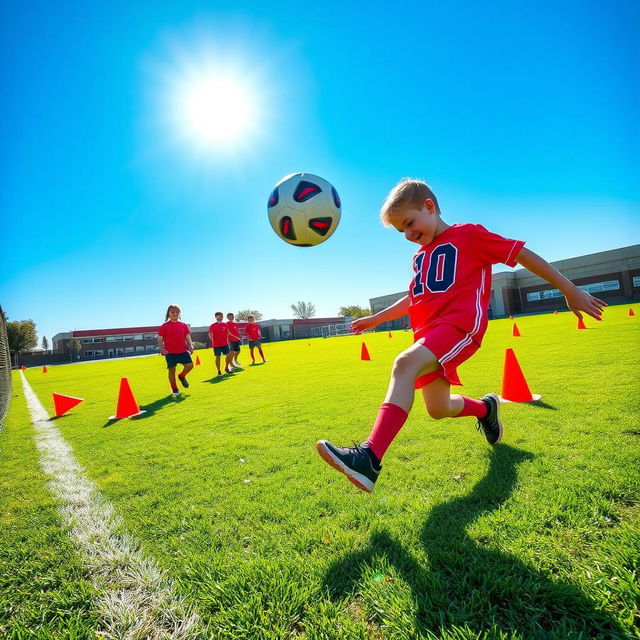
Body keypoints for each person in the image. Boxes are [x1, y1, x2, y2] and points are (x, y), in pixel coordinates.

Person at [316, 178, 606, 493]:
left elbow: (520, 253)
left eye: (410, 223)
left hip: (459, 327)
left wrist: (569, 289)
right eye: (402, 232)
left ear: (429, 206)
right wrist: (376, 318)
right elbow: (415, 296)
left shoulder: (469, 235)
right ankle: (486, 409)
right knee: (438, 409)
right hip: (428, 334)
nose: (410, 234)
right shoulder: (420, 256)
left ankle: (369, 457)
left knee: (403, 364)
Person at [158, 304, 194, 396]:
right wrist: (162, 348)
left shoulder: (183, 325)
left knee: (190, 365)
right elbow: (159, 339)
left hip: (183, 351)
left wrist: (190, 345)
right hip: (170, 352)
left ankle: (181, 376)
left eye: (177, 312)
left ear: (180, 313)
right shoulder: (164, 326)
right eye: (172, 312)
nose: (175, 313)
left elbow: (187, 336)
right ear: (168, 314)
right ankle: (174, 389)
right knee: (171, 370)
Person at [209, 312, 232, 376]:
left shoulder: (225, 325)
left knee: (229, 355)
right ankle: (219, 371)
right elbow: (210, 334)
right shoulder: (213, 325)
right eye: (219, 316)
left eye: (221, 316)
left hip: (225, 344)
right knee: (218, 357)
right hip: (216, 345)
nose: (220, 318)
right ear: (216, 317)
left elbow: (228, 333)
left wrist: (229, 340)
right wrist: (213, 339)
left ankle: (226, 367)